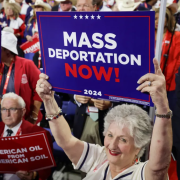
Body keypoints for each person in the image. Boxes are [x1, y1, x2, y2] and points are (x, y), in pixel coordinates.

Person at [36, 58, 172, 180]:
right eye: (110, 135)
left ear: (138, 147)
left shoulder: (141, 174)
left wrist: (162, 107)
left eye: (123, 139)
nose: (112, 145)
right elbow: (66, 141)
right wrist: (48, 101)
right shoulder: (100, 157)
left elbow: (159, 167)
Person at [0, 92, 53, 180]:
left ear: (23, 111)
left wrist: (34, 175)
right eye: (4, 109)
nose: (7, 114)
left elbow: (45, 170)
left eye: (12, 109)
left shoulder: (39, 134)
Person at [0, 27, 42, 124]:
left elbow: (40, 90)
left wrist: (33, 116)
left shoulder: (27, 64)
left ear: (7, 51)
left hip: (26, 118)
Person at [155, 7, 180, 111]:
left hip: (169, 85)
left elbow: (177, 62)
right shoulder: (146, 35)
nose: (157, 21)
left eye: (160, 18)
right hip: (149, 82)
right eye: (155, 18)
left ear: (167, 19)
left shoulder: (176, 36)